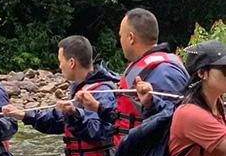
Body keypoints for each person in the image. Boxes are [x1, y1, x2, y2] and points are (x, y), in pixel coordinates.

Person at [3, 36, 123, 156]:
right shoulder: (78, 89)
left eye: (61, 61)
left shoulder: (103, 91)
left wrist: (74, 114)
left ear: (72, 62)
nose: (60, 66)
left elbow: (99, 130)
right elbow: (57, 120)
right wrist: (24, 115)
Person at [79, 8, 189, 145]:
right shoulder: (141, 69)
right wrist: (98, 107)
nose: (120, 42)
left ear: (131, 38)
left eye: (121, 36)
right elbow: (129, 115)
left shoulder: (165, 71)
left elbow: (178, 124)